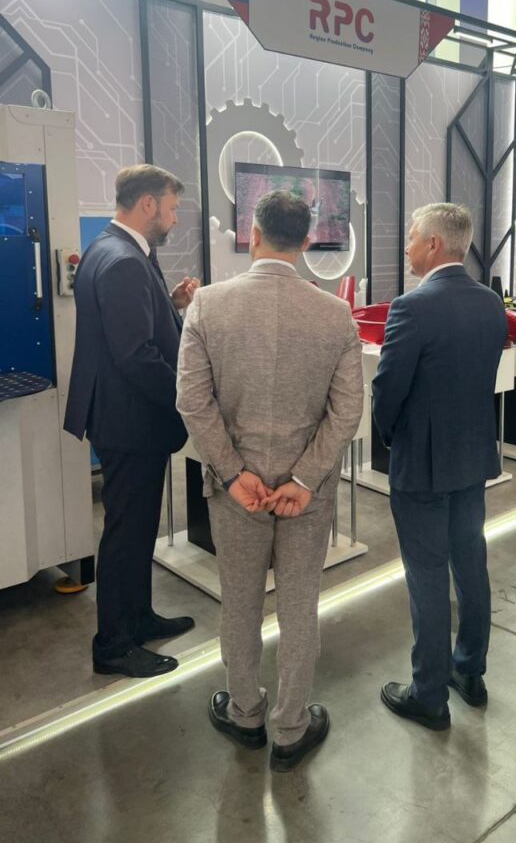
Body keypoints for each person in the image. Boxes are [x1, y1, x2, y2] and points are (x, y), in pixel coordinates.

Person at [176, 191, 363, 772]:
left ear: (252, 235)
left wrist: (233, 474)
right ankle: (291, 727)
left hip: (238, 494)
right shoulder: (334, 314)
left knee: (240, 603)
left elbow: (192, 401)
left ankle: (245, 713)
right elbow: (347, 412)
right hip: (306, 497)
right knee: (300, 606)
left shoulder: (207, 305)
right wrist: (305, 479)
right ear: (306, 241)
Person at [372, 203, 508, 730]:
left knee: (427, 575)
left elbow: (388, 388)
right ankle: (469, 670)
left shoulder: (412, 307)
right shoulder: (489, 302)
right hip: (472, 456)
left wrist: (391, 438)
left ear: (432, 244)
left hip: (423, 464)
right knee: (470, 563)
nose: (406, 247)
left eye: (411, 238)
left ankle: (428, 694)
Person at [64, 165, 199, 678]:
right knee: (126, 533)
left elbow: (132, 326)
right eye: (171, 208)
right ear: (147, 205)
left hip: (122, 416)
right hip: (130, 420)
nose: (174, 218)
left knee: (138, 528)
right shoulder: (123, 260)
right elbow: (137, 355)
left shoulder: (110, 249)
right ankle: (114, 645)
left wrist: (171, 305)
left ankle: (138, 617)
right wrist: (189, 398)